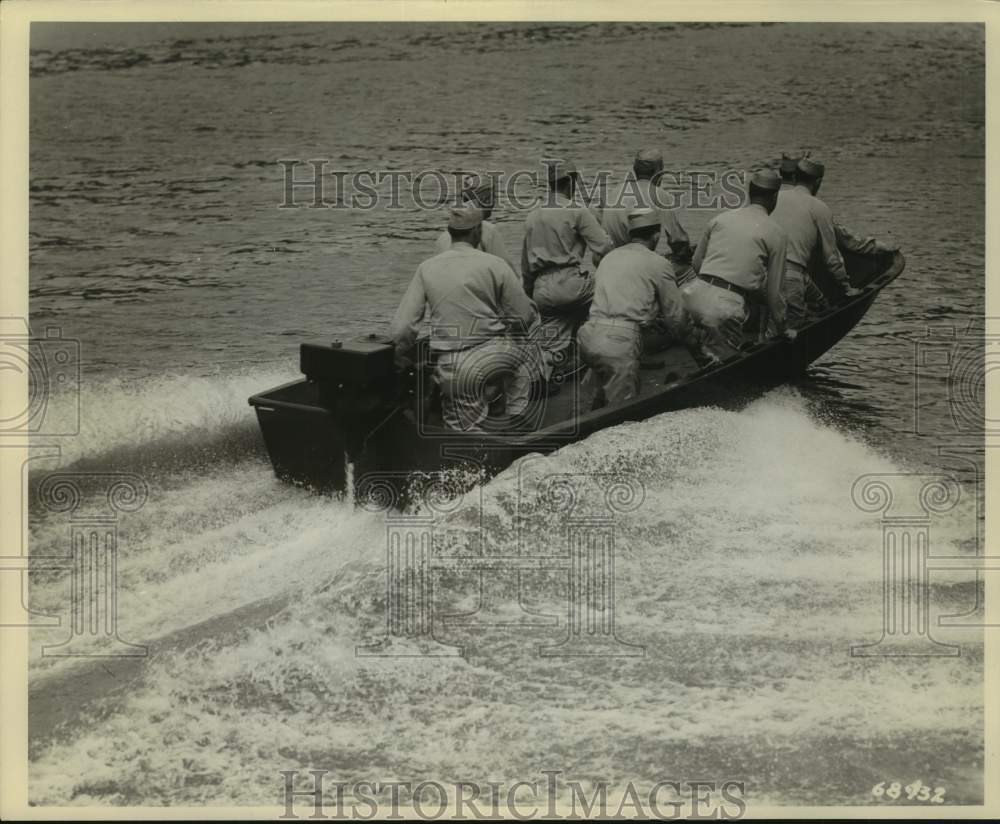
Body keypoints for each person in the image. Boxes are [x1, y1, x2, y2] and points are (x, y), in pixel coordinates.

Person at [390, 206, 542, 431]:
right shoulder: (494, 264)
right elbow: (524, 316)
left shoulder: (427, 268)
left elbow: (402, 329)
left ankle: (470, 432)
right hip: (494, 356)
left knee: (462, 435)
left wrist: (400, 356)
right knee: (527, 344)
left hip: (454, 366)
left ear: (449, 232)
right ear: (477, 231)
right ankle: (516, 414)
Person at [579, 208, 691, 408]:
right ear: (656, 235)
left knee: (590, 402)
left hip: (588, 335)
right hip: (619, 341)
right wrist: (694, 344)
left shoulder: (609, 257)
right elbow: (676, 317)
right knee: (623, 411)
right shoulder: (659, 263)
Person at [682, 169, 789, 361]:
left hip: (692, 296)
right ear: (774, 197)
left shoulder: (720, 219)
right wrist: (783, 329)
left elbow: (697, 264)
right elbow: (775, 293)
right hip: (724, 307)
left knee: (705, 351)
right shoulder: (776, 233)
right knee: (726, 363)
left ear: (749, 192)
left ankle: (705, 354)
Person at [521, 159, 613, 375]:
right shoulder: (577, 211)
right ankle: (604, 349)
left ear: (550, 184)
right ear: (571, 183)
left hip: (542, 289)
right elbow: (605, 247)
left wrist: (529, 294)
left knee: (553, 343)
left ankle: (542, 373)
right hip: (571, 284)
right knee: (609, 296)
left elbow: (525, 266)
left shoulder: (532, 216)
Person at [772, 156, 861, 325]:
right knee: (792, 329)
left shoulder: (774, 198)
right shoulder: (819, 207)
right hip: (791, 275)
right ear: (818, 182)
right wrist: (846, 287)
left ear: (795, 177)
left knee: (772, 323)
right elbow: (831, 257)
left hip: (763, 272)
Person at [599, 149, 691, 261]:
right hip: (636, 261)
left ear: (635, 169)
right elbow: (678, 241)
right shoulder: (658, 194)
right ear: (658, 172)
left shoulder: (615, 192)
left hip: (610, 260)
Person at [433, 175, 517, 270]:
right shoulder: (488, 231)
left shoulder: (443, 237)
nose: (494, 203)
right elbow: (507, 270)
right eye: (492, 198)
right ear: (484, 200)